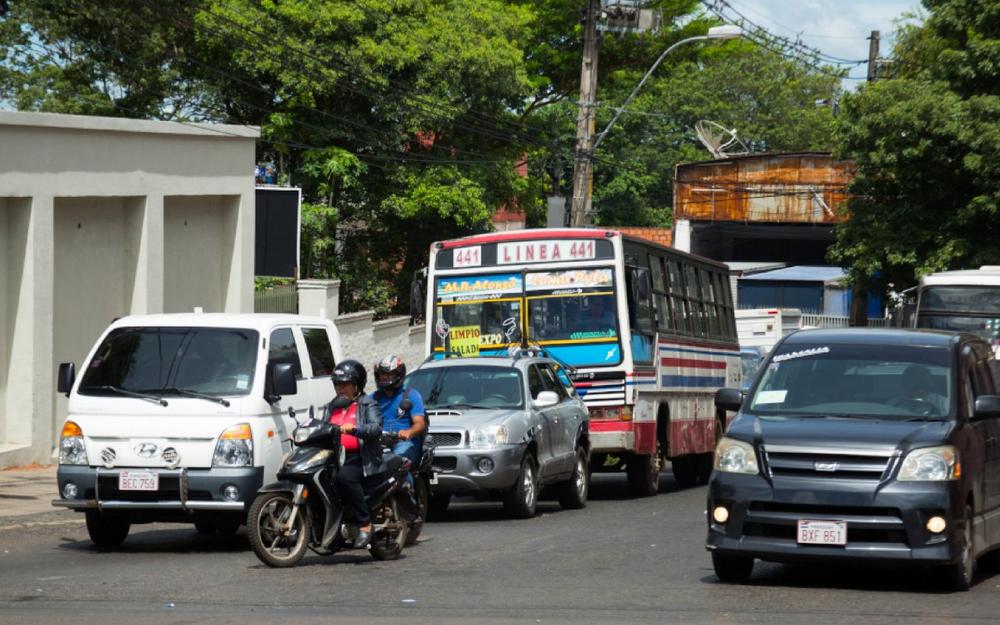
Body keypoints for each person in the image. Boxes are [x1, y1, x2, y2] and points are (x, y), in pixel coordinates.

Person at [328, 359, 383, 548]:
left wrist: (355, 429)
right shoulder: (332, 406)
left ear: (357, 385)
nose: (340, 388)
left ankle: (365, 523)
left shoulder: (367, 404)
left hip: (361, 457)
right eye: (338, 384)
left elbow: (376, 428)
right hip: (336, 457)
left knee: (345, 477)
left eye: (345, 384)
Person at [370, 355, 426, 472]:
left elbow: (420, 423)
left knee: (397, 462)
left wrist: (408, 432)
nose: (385, 377)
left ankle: (406, 483)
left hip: (404, 442)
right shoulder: (373, 398)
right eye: (382, 374)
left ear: (398, 374)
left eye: (389, 374)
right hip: (380, 443)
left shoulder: (411, 395)